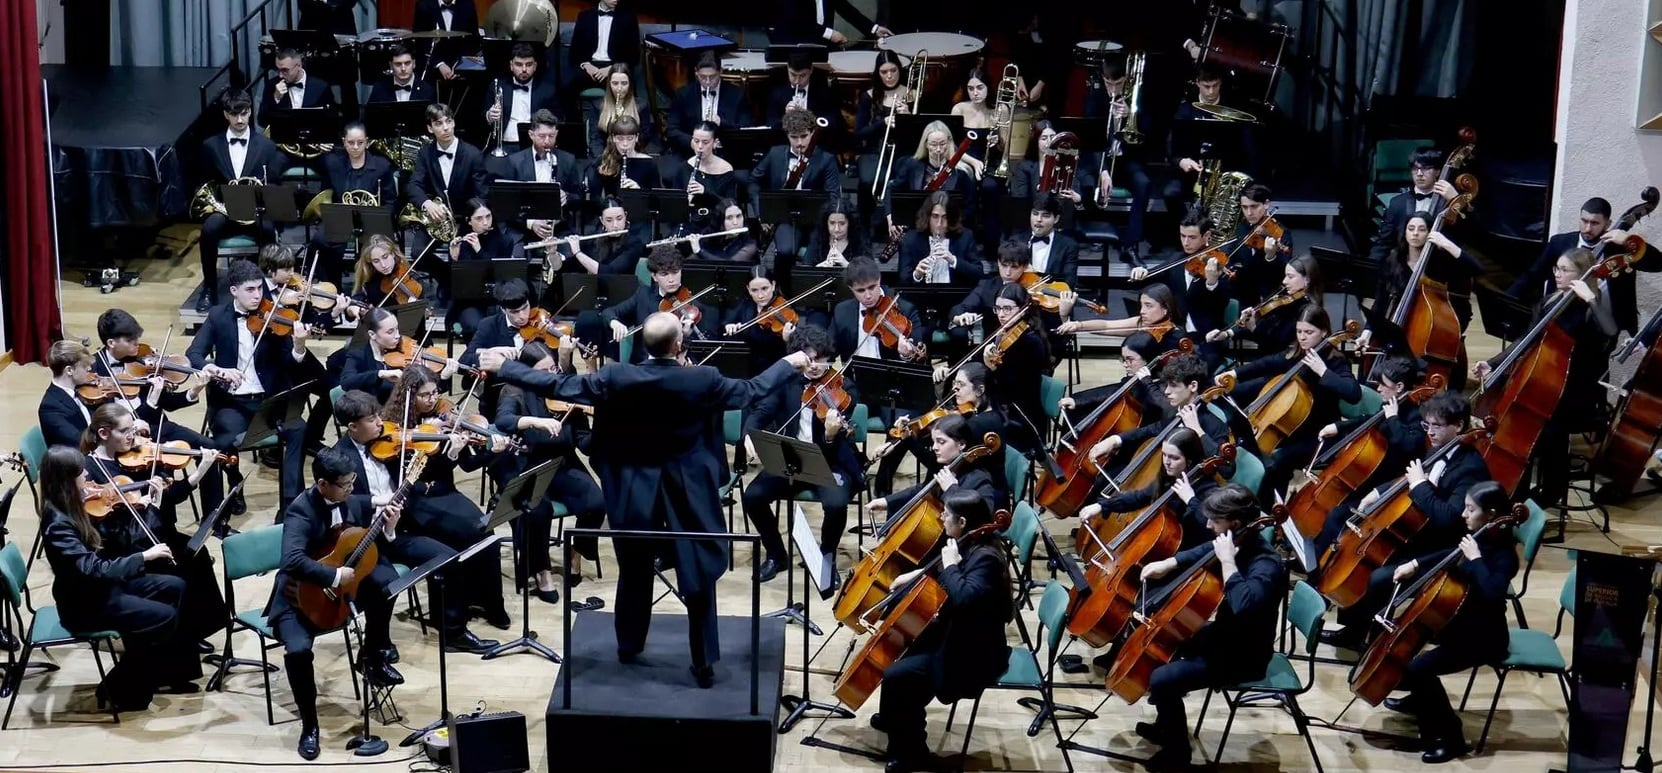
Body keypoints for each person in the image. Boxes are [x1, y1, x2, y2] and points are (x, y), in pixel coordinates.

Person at [476, 313, 815, 687]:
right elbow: (752, 390)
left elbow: (558, 385)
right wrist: (787, 362)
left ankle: (629, 645)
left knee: (635, 568)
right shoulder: (703, 379)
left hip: (635, 488)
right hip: (687, 489)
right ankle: (703, 662)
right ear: (677, 346)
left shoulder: (617, 376)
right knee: (698, 574)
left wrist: (506, 366)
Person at [265, 445, 416, 760]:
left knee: (387, 585)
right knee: (298, 652)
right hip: (298, 597)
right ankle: (310, 726)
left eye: (352, 482)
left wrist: (388, 529)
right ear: (322, 484)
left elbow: (363, 540)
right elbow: (291, 560)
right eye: (345, 484)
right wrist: (334, 578)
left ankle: (371, 656)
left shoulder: (351, 501)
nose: (352, 489)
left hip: (338, 597)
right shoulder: (300, 511)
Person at [330, 389, 502, 653]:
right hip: (364, 539)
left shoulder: (388, 443)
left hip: (395, 531)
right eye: (372, 419)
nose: (380, 423)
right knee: (384, 583)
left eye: (379, 416)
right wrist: (378, 506)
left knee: (447, 558)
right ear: (352, 427)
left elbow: (427, 468)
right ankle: (377, 644)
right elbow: (338, 507)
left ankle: (453, 633)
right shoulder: (338, 461)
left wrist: (445, 446)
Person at [1320, 390, 1491, 649]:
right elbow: (1409, 476)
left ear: (1459, 426)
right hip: (1419, 529)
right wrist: (1377, 493)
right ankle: (1353, 628)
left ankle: (1374, 642)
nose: (1430, 432)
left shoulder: (1469, 468)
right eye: (1426, 425)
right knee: (1346, 520)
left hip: (1443, 545)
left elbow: (1449, 518)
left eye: (1437, 426)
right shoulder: (1436, 448)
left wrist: (1421, 485)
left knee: (1378, 575)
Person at [1135, 484, 1286, 771]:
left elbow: (1245, 604)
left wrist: (1228, 561)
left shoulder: (1266, 565)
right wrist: (1170, 562)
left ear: (1235, 524)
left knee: (1163, 679)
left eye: (1214, 521)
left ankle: (1177, 756)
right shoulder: (1239, 539)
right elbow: (1209, 548)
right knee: (1168, 642)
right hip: (1226, 637)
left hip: (1244, 656)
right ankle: (1167, 725)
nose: (1207, 525)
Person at [37, 446, 195, 712]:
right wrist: (143, 557)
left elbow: (106, 544)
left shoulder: (75, 505)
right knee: (162, 616)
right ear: (66, 480)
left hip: (101, 589)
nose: (87, 475)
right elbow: (93, 569)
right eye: (81, 473)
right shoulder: (57, 523)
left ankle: (158, 674)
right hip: (84, 603)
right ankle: (119, 686)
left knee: (174, 587)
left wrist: (134, 507)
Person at [872, 487, 1013, 772]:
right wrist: (917, 573)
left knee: (898, 676)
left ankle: (913, 754)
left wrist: (949, 566)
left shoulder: (986, 557)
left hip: (973, 654)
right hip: (958, 635)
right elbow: (948, 568)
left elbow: (963, 597)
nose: (941, 517)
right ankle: (894, 721)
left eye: (946, 514)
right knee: (902, 660)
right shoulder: (970, 541)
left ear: (962, 522)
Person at [1385, 480, 1518, 764]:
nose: (1463, 514)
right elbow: (1454, 552)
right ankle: (1423, 705)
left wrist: (1477, 559)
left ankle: (1452, 739)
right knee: (1405, 667)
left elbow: (1493, 594)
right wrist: (1416, 565)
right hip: (1460, 623)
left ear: (1492, 514)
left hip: (1485, 637)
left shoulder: (1505, 554)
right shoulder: (1481, 533)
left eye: (1470, 509)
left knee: (1418, 669)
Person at [81, 403, 227, 657]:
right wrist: (151, 507)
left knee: (198, 557)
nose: (133, 437)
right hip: (127, 546)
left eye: (133, 430)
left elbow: (173, 496)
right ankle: (177, 640)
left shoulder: (133, 458)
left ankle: (193, 630)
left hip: (152, 532)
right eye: (125, 431)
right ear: (104, 434)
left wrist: (201, 470)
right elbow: (107, 530)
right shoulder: (93, 471)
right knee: (179, 568)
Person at [1474, 247, 1617, 507]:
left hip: (1573, 391)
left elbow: (1610, 332)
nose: (1558, 275)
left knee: (1549, 434)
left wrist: (1592, 300)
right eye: (1556, 269)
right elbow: (1525, 341)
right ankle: (1514, 491)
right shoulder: (1549, 301)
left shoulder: (1588, 309)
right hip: (1543, 384)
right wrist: (1494, 364)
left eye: (1565, 270)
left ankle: (1549, 493)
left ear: (1582, 275)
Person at [185, 259, 321, 517]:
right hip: (232, 401)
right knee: (223, 441)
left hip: (269, 399)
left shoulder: (274, 316)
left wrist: (299, 346)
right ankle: (236, 484)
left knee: (298, 430)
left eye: (260, 288)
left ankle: (290, 503)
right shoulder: (217, 316)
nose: (258, 295)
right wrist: (217, 370)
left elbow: (291, 363)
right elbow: (194, 354)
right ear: (234, 290)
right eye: (250, 289)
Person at [740, 324, 862, 582]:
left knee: (836, 503)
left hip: (831, 461)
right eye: (809, 359)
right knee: (752, 497)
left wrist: (830, 435)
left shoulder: (845, 388)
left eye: (821, 358)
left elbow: (838, 444)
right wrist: (749, 436)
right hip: (792, 458)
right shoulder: (785, 383)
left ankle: (825, 557)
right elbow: (759, 413)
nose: (815, 366)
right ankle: (776, 554)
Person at [494, 342, 606, 593]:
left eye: (554, 368)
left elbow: (585, 445)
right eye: (543, 372)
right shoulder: (516, 390)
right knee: (537, 510)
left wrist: (600, 423)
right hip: (526, 464)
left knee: (597, 503)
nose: (552, 376)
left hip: (562, 462)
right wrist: (535, 421)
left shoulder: (565, 392)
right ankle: (542, 570)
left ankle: (577, 551)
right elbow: (503, 420)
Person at [1218, 305, 1360, 499]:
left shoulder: (1335, 361)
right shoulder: (1296, 353)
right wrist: (1233, 373)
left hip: (1318, 434)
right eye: (1299, 331)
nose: (1302, 337)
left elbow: (1354, 393)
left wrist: (1322, 371)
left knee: (1276, 462)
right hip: (1289, 429)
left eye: (1309, 332)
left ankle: (1271, 511)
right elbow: (1267, 363)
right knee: (1247, 443)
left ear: (1324, 332)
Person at [1310, 355, 1430, 551]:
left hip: (1389, 486)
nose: (1379, 389)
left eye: (1383, 384)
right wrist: (1339, 426)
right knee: (1333, 508)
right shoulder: (1391, 404)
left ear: (1399, 387)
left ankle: (1317, 568)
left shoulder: (1416, 416)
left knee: (1336, 516)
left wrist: (1393, 419)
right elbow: (1370, 419)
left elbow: (1408, 445)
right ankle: (1316, 550)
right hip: (1372, 477)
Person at [196, 88, 288, 312]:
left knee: (268, 230)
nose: (239, 119)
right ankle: (209, 287)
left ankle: (262, 288)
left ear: (250, 112)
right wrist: (215, 205)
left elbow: (273, 184)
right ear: (226, 115)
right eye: (234, 114)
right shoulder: (210, 146)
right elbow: (202, 183)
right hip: (224, 210)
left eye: (244, 113)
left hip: (255, 210)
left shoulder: (266, 146)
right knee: (208, 230)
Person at [1508, 196, 1649, 338]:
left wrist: (1628, 240)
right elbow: (1533, 276)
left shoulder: (1621, 250)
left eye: (1594, 223)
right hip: (1561, 322)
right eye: (1584, 221)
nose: (1587, 228)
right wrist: (1508, 300)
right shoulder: (1559, 243)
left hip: (1602, 324)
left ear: (1608, 224)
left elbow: (1657, 264)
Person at [1087, 353, 1233, 480]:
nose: (1166, 392)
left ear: (1193, 386)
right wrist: (1114, 440)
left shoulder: (1214, 425)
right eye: (1166, 385)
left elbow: (1227, 470)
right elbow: (1150, 430)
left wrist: (1197, 430)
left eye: (1173, 385)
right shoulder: (1178, 412)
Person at [1078, 426, 1217, 552]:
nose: (1166, 462)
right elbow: (1140, 497)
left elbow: (1213, 525)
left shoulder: (1208, 489)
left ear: (1190, 460)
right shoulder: (1170, 478)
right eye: (1164, 455)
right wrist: (1102, 505)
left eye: (1174, 458)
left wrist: (1190, 499)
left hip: (1187, 555)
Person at [865, 412, 1009, 519]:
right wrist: (886, 501)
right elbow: (923, 490)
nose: (934, 447)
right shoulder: (947, 468)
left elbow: (981, 517)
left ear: (962, 444)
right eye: (934, 442)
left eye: (941, 442)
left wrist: (951, 489)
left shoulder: (979, 479)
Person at [747, 110, 843, 259]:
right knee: (785, 251)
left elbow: (833, 195)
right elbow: (753, 181)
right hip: (784, 217)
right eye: (794, 137)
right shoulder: (775, 153)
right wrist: (762, 212)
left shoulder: (826, 159)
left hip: (816, 219)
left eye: (804, 136)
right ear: (787, 135)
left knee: (813, 255)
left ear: (812, 133)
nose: (799, 143)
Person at [310, 121, 397, 284]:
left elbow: (390, 202)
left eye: (360, 142)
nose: (355, 147)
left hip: (371, 222)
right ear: (343, 141)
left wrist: (379, 220)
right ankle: (332, 287)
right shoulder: (332, 163)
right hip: (341, 220)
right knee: (319, 241)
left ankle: (369, 290)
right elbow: (326, 194)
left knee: (374, 246)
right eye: (350, 143)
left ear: (367, 141)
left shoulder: (382, 166)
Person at [603, 246, 716, 362]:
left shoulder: (694, 301)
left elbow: (704, 347)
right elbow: (609, 312)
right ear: (654, 277)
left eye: (675, 272)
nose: (671, 279)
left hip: (676, 368)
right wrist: (615, 322)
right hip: (643, 367)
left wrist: (686, 336)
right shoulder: (643, 295)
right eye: (664, 274)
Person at [406, 103, 491, 247]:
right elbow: (414, 185)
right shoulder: (425, 153)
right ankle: (443, 271)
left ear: (454, 122)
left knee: (459, 257)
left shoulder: (473, 154)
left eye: (448, 121)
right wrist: (427, 204)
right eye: (438, 123)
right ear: (430, 128)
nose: (445, 128)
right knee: (417, 253)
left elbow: (481, 194)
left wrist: (468, 220)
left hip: (465, 221)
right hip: (436, 220)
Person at [1208, 254, 1321, 353]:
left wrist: (1254, 329)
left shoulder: (1307, 311)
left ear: (1307, 280)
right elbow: (1264, 325)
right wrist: (1227, 333)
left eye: (1290, 277)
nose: (1284, 281)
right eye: (1285, 275)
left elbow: (1277, 344)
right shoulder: (1287, 299)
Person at [498, 110, 581, 244]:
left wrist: (567, 196)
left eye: (551, 136)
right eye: (542, 136)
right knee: (516, 258)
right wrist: (531, 223)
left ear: (557, 134)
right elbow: (507, 203)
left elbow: (578, 197)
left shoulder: (568, 160)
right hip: (523, 229)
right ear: (531, 134)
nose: (547, 141)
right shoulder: (514, 162)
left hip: (559, 229)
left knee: (571, 258)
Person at [1367, 147, 1458, 267]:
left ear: (1437, 171)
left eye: (1425, 168)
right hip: (1405, 268)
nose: (1419, 174)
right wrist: (1368, 269)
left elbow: (1470, 233)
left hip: (1441, 268)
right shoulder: (1397, 203)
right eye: (1415, 169)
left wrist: (1455, 200)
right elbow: (1384, 243)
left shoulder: (1449, 202)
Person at [666, 53, 748, 154]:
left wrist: (722, 122)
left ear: (720, 71)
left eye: (713, 76)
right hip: (690, 154)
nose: (708, 82)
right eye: (703, 77)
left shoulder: (737, 95)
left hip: (726, 153)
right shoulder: (683, 95)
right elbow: (672, 130)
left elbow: (745, 130)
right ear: (696, 72)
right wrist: (694, 142)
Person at [897, 191, 981, 287]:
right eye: (935, 216)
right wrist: (917, 275)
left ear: (951, 217)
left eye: (944, 217)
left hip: (957, 299)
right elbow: (903, 281)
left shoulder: (965, 237)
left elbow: (978, 273)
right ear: (927, 217)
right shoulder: (911, 239)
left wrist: (953, 260)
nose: (939, 224)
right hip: (922, 298)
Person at [486, 43, 559, 153]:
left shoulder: (548, 90)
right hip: (504, 144)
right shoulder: (497, 86)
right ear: (511, 65)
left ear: (535, 66)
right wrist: (489, 116)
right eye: (519, 64)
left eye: (528, 65)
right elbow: (481, 116)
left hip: (535, 146)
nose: (524, 69)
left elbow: (558, 120)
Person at [1226, 183, 1293, 303]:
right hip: (1242, 292)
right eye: (1244, 207)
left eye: (1254, 206)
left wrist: (1270, 256)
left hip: (1267, 295)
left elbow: (1284, 270)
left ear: (1266, 204)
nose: (1249, 213)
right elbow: (1233, 255)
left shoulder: (1281, 232)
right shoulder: (1241, 227)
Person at [549, 196, 646, 276]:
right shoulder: (594, 240)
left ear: (625, 216)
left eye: (619, 218)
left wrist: (578, 252)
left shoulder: (634, 243)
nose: (615, 225)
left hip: (625, 294)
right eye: (609, 220)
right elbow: (561, 268)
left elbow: (610, 273)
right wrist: (553, 254)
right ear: (602, 220)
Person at [766, 52, 845, 136]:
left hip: (817, 142)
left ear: (811, 70)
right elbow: (771, 123)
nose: (797, 81)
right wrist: (786, 118)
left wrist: (810, 121)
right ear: (788, 68)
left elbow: (835, 120)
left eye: (802, 75)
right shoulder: (777, 93)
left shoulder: (824, 92)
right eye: (793, 75)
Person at [259, 48, 337, 132]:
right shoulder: (272, 86)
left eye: (285, 70)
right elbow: (262, 121)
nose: (281, 75)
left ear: (299, 66)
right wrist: (276, 98)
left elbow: (332, 121)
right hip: (283, 140)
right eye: (278, 70)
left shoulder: (321, 87)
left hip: (313, 139)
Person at [349, 234, 438, 308]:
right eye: (376, 261)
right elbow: (356, 300)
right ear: (370, 262)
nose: (383, 265)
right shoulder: (370, 280)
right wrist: (353, 308)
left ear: (393, 254)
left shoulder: (412, 278)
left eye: (385, 257)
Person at [666, 122, 741, 206]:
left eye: (705, 142)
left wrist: (706, 193)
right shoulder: (684, 168)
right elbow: (673, 202)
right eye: (696, 141)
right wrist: (685, 201)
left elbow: (731, 206)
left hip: (717, 216)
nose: (700, 146)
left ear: (715, 143)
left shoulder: (726, 170)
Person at [39, 339, 97, 449]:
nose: (89, 369)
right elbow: (79, 442)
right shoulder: (50, 408)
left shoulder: (82, 389)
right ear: (69, 370)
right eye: (85, 366)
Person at [586, 115, 662, 199]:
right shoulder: (602, 162)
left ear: (636, 138)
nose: (625, 144)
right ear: (614, 138)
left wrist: (639, 192)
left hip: (639, 209)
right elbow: (595, 198)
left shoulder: (649, 164)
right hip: (613, 210)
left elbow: (657, 201)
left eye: (630, 138)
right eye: (620, 138)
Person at [589, 64, 655, 157]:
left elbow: (644, 137)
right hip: (605, 155)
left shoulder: (641, 106)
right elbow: (595, 139)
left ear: (630, 84)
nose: (619, 88)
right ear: (609, 84)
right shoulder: (597, 106)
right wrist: (602, 160)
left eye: (624, 83)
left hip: (633, 154)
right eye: (615, 83)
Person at [803, 197, 870, 268]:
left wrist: (847, 265)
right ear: (826, 223)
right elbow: (805, 269)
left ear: (850, 223)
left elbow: (869, 274)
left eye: (842, 223)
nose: (836, 229)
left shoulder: (860, 241)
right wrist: (820, 269)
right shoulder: (817, 239)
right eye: (832, 223)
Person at [685, 199, 758, 263]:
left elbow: (730, 265)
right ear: (721, 220)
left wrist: (699, 251)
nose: (735, 222)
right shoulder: (710, 234)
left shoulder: (750, 244)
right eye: (729, 218)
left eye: (738, 216)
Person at [364, 44, 436, 105]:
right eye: (398, 64)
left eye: (407, 63)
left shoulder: (427, 90)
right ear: (391, 66)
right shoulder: (379, 89)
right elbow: (369, 119)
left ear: (414, 64)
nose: (403, 68)